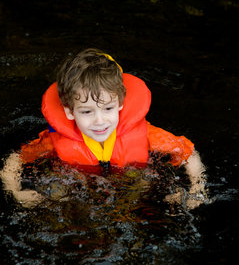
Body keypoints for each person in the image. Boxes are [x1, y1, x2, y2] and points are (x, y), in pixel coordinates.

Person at [0, 48, 206, 207]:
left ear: (120, 103)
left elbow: (189, 153)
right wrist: (16, 192)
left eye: (108, 108)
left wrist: (198, 189)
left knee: (142, 185)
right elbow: (14, 160)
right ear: (70, 112)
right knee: (57, 193)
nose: (100, 121)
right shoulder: (55, 140)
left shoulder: (147, 135)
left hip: (131, 193)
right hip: (78, 194)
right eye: (87, 112)